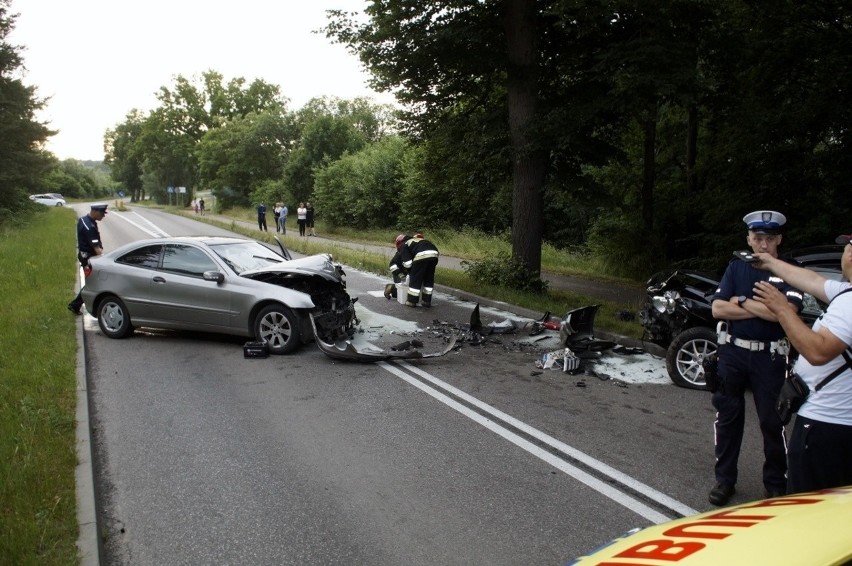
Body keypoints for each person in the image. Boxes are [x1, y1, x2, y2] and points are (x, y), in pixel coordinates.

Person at [707, 210, 804, 506]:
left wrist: (743, 301)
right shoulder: (736, 268)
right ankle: (725, 481)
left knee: (772, 422)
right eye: (758, 238)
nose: (763, 245)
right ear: (749, 239)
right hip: (733, 353)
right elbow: (718, 310)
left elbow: (789, 313)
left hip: (770, 358)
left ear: (779, 240)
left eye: (769, 239)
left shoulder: (790, 270)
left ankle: (775, 484)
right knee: (727, 419)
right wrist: (769, 308)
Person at [751, 234, 852, 494]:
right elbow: (812, 281)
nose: (846, 250)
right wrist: (770, 263)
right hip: (838, 423)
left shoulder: (850, 303)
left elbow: (818, 351)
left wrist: (781, 309)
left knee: (808, 507)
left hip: (826, 428)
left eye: (849, 246)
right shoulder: (846, 292)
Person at [67, 203, 108, 315]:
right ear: (95, 211)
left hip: (84, 255)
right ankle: (75, 304)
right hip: (89, 258)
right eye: (102, 213)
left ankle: (76, 304)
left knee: (92, 282)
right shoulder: (90, 227)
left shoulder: (83, 220)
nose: (103, 216)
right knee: (93, 283)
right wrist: (104, 261)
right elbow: (96, 248)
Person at [386, 233, 439, 307]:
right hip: (434, 254)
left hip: (421, 255)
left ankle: (411, 301)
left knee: (415, 279)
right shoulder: (417, 241)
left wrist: (412, 273)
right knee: (429, 278)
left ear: (399, 243)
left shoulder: (404, 245)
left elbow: (408, 263)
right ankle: (426, 301)